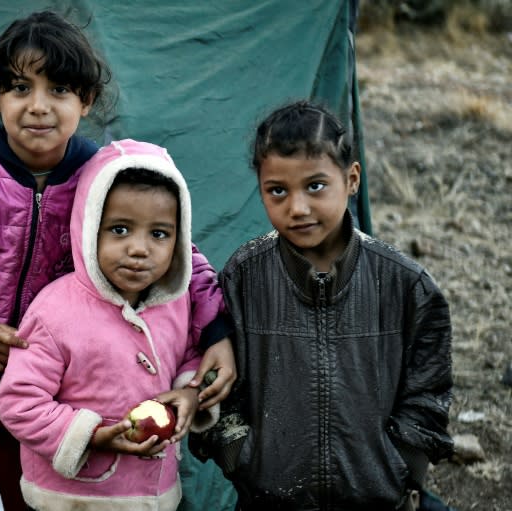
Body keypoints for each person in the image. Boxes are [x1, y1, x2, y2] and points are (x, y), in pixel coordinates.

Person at [0, 10, 235, 511]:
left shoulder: (102, 176)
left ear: (84, 102)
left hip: (50, 403)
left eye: (59, 89)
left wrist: (215, 331)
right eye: (20, 88)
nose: (38, 106)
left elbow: (177, 254)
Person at [189, 100, 454, 510]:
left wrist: (400, 467)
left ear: (351, 179)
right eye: (277, 190)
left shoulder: (405, 284)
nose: (297, 208)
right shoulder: (244, 277)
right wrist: (241, 457)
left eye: (315, 186)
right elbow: (219, 385)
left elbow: (429, 391)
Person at [0, 139, 220, 511]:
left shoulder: (176, 303)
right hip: (72, 499)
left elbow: (189, 356)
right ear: (88, 229)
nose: (138, 249)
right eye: (119, 230)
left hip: (152, 493)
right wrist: (92, 435)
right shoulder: (55, 311)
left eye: (159, 234)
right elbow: (20, 402)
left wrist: (189, 393)